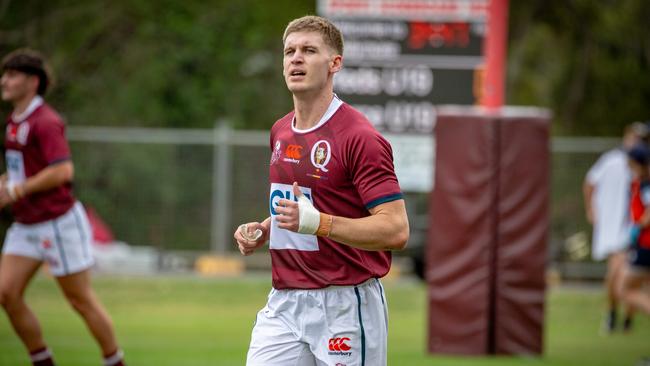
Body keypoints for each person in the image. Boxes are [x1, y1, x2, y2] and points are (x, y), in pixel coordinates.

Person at [233, 15, 409, 366]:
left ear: (334, 64)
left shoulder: (360, 137)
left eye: (309, 50)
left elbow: (396, 229)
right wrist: (264, 230)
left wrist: (320, 224)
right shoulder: (281, 131)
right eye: (290, 51)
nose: (296, 58)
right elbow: (303, 210)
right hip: (284, 302)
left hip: (345, 303)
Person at [0, 49, 125, 366]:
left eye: (12, 74)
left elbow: (62, 170)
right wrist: (8, 184)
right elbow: (24, 170)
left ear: (32, 81)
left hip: (57, 224)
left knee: (80, 300)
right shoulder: (14, 122)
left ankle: (115, 361)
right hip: (26, 224)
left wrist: (18, 188)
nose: (4, 80)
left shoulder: (46, 121)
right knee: (6, 293)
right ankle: (42, 361)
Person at [583, 122, 646, 333]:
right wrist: (591, 209)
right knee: (619, 278)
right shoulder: (612, 161)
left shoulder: (643, 175)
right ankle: (612, 314)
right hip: (617, 229)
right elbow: (590, 182)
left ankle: (625, 318)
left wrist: (639, 226)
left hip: (637, 234)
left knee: (627, 285)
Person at [620, 144, 650, 319]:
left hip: (646, 244)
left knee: (625, 289)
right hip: (643, 243)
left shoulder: (646, 184)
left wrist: (638, 227)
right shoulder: (638, 183)